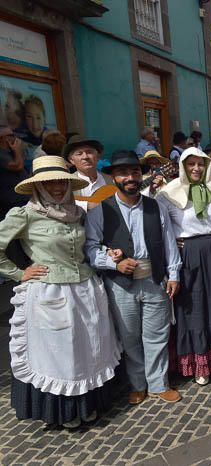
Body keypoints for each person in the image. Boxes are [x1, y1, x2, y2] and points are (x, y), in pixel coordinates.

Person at [0, 156, 120, 428]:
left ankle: (87, 404)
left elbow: (90, 244)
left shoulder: (77, 212)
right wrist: (20, 273)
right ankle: (64, 411)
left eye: (61, 181)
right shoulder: (25, 214)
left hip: (86, 289)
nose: (56, 187)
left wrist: (106, 252)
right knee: (60, 354)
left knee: (89, 349)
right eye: (49, 182)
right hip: (50, 293)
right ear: (37, 186)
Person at [85, 150, 182, 405]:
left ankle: (159, 384)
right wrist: (114, 264)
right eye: (123, 173)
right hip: (121, 285)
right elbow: (91, 248)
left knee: (157, 335)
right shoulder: (100, 211)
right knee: (130, 337)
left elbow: (168, 242)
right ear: (114, 177)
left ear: (142, 175)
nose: (130, 177)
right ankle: (138, 383)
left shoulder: (156, 206)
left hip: (154, 278)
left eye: (135, 172)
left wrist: (173, 274)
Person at [157, 147, 211, 386]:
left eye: (200, 164)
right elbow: (162, 230)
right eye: (190, 164)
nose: (196, 168)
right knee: (193, 310)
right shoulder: (167, 195)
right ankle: (198, 364)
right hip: (188, 256)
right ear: (182, 166)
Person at [62, 134, 110, 212]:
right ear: (71, 160)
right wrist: (86, 205)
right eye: (79, 154)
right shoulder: (67, 184)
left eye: (89, 152)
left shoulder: (111, 180)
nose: (85, 157)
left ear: (97, 157)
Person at [0, 126, 29, 220]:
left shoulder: (11, 152)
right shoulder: (1, 154)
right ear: (2, 138)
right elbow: (17, 166)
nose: (15, 138)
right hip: (10, 201)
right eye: (11, 135)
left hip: (23, 198)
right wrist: (17, 149)